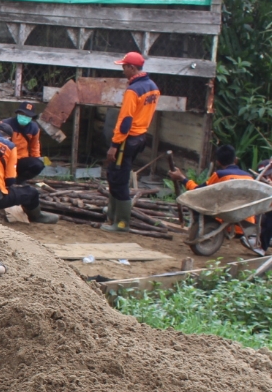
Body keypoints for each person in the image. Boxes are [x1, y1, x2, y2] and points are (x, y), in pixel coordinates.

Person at [102, 51, 159, 233]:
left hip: (127, 140)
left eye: (124, 67)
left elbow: (125, 121)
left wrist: (114, 145)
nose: (122, 70)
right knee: (116, 174)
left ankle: (121, 223)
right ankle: (113, 212)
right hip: (141, 137)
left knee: (118, 177)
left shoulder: (133, 90)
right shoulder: (152, 87)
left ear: (132, 68)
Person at [170, 144, 259, 250]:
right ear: (235, 160)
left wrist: (182, 178)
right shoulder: (249, 177)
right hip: (245, 221)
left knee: (198, 203)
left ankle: (204, 230)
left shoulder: (220, 175)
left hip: (225, 215)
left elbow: (199, 191)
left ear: (218, 162)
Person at [0, 102, 45, 183]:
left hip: (21, 159)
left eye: (28, 116)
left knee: (38, 165)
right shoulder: (5, 124)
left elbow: (35, 146)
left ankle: (18, 181)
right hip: (6, 158)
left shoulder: (34, 128)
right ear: (18, 113)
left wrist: (36, 158)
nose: (25, 117)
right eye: (22, 114)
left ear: (31, 117)